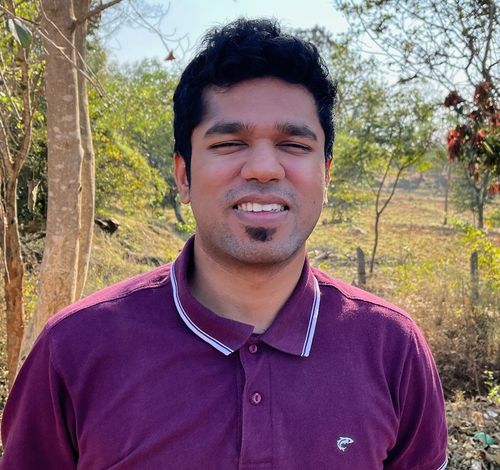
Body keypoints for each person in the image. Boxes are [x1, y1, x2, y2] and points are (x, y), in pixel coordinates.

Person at [0, 18, 448, 469]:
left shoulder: (392, 348)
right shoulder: (75, 349)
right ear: (183, 175)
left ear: (326, 175)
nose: (264, 168)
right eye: (230, 143)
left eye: (294, 144)